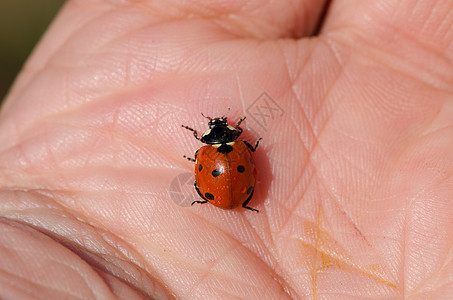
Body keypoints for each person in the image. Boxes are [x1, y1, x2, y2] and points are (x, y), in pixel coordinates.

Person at [0, 0, 452, 298]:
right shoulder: (234, 152)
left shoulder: (214, 155)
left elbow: (224, 162)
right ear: (229, 138)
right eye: (222, 129)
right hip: (229, 198)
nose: (220, 130)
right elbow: (241, 161)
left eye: (216, 130)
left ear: (210, 140)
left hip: (222, 198)